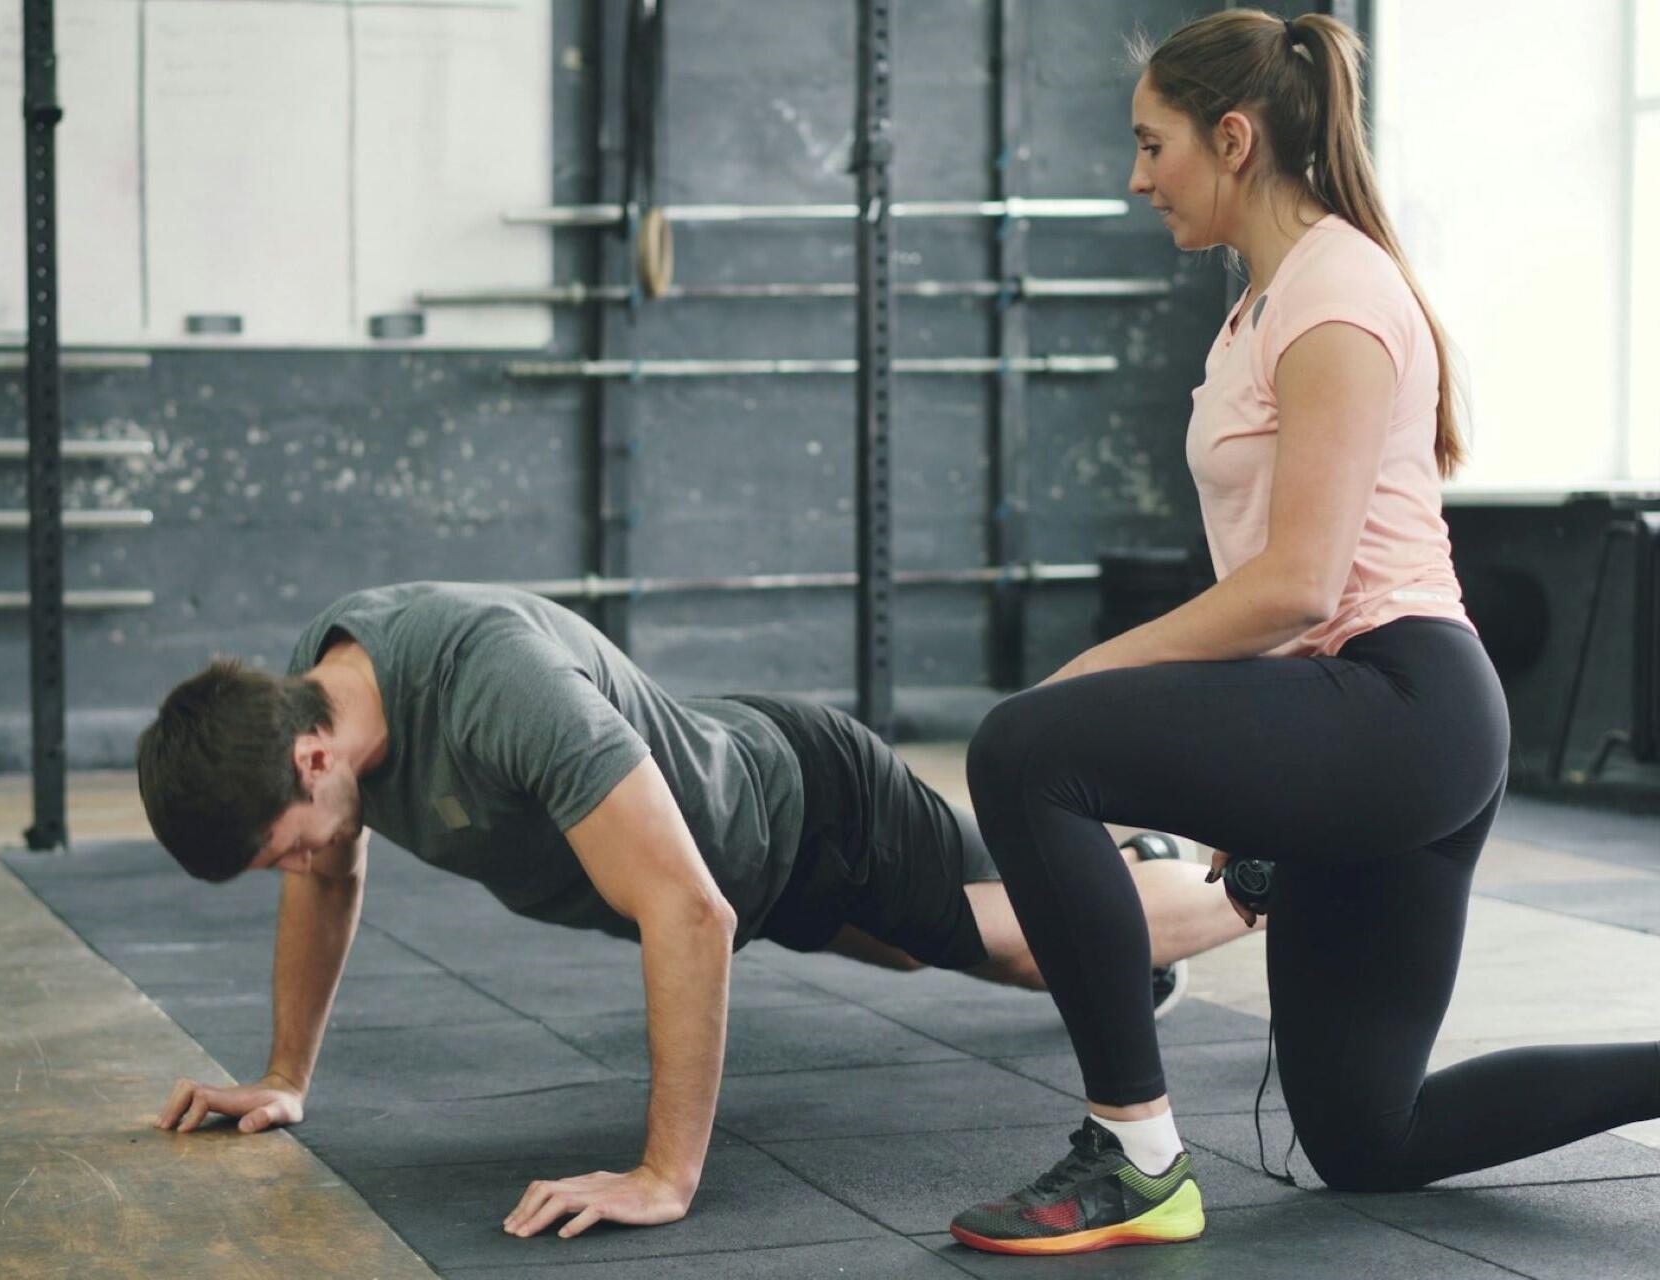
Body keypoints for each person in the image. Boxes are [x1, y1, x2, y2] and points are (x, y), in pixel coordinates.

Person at [947, 9, 1660, 1258]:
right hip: (1368, 717)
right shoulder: (1269, 301)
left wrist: (1087, 671)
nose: (1134, 175)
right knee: (1369, 1137)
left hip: (1401, 704)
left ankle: (1137, 1152)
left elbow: (1300, 584)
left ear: (1233, 138)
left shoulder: (1334, 294)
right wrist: (1261, 797)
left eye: (1150, 143)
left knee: (1025, 746)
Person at [134, 581, 1254, 1239]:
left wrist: (663, 1174)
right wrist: (285, 1075)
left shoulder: (494, 687)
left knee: (1014, 939)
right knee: (937, 949)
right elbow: (329, 872)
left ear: (311, 753)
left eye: (282, 843)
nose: (301, 865)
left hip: (810, 808)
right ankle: (1137, 880)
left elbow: (690, 910)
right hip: (745, 828)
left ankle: (1267, 874)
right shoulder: (310, 687)